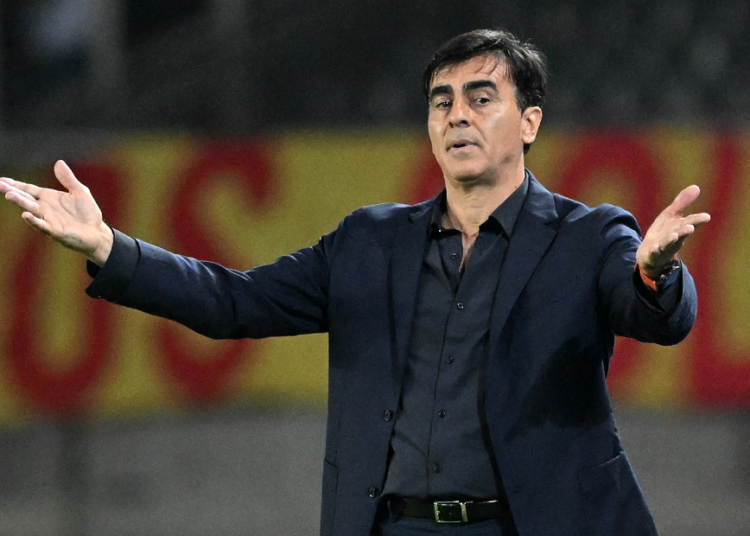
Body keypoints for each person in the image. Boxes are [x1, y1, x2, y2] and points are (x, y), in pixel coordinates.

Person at [0, 29, 710, 536]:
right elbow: (234, 303)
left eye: (481, 97)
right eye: (441, 100)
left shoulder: (588, 235)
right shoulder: (369, 241)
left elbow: (655, 315)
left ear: (529, 121)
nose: (457, 113)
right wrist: (109, 246)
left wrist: (655, 270)